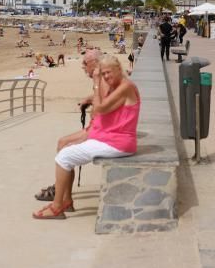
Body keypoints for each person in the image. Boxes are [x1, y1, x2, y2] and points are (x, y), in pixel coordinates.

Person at [33, 54, 140, 219]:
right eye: (103, 74)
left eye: (108, 72)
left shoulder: (125, 86)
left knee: (63, 157)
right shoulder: (119, 86)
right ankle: (65, 201)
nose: (105, 76)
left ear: (119, 69)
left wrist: (97, 84)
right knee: (66, 152)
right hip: (112, 139)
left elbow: (100, 109)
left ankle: (57, 207)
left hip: (117, 142)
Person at [33, 49, 105, 203]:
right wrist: (89, 99)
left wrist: (94, 100)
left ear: (96, 64)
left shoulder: (102, 79)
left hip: (100, 130)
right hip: (96, 127)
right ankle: (64, 193)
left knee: (65, 147)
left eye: (85, 63)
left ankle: (63, 196)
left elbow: (103, 103)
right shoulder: (101, 79)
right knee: (62, 143)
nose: (82, 66)